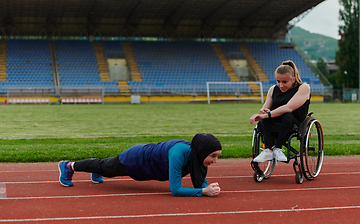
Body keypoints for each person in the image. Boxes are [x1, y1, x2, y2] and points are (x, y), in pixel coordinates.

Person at [58, 133, 222, 197]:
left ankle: (96, 167)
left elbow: (200, 180)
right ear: (201, 151)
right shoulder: (178, 153)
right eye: (213, 156)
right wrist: (203, 191)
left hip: (147, 166)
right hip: (137, 160)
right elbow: (176, 190)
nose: (215, 161)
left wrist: (208, 187)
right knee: (105, 167)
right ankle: (68, 166)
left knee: (104, 167)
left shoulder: (197, 156)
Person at [249, 60, 310, 163]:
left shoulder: (303, 87)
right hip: (277, 118)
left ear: (293, 79)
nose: (281, 85)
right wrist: (262, 112)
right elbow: (265, 108)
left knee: (285, 115)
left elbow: (288, 108)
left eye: (284, 82)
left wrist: (267, 114)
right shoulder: (273, 89)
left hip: (294, 121)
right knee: (267, 115)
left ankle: (277, 149)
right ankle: (268, 150)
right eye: (278, 81)